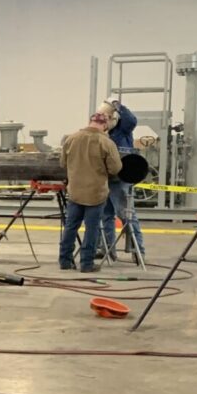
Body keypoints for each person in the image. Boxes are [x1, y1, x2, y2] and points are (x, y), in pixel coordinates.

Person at [59, 110, 123, 272]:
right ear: (105, 125)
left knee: (71, 226)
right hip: (96, 193)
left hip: (75, 191)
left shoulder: (71, 139)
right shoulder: (106, 143)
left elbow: (62, 163)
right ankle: (86, 263)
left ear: (90, 121)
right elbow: (116, 168)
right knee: (92, 228)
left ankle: (65, 261)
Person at [99, 95, 146, 259]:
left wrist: (117, 105)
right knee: (105, 216)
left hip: (120, 180)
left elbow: (131, 120)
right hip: (105, 180)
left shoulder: (122, 129)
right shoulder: (102, 134)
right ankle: (107, 250)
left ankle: (137, 250)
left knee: (126, 215)